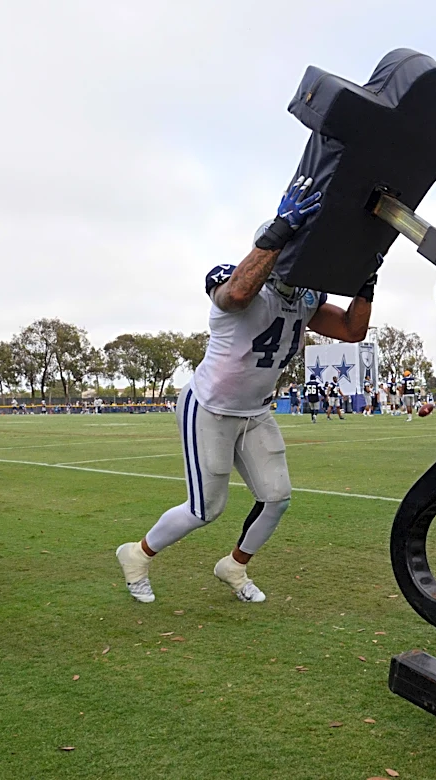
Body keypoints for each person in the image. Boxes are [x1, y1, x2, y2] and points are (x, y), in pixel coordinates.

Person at [116, 176, 380, 604]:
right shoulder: (239, 284)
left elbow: (352, 330)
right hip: (210, 408)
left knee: (277, 498)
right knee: (206, 509)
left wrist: (365, 282)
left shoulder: (307, 297)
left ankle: (234, 566)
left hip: (255, 411)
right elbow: (237, 293)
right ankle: (137, 554)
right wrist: (281, 228)